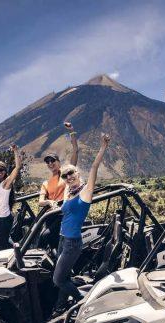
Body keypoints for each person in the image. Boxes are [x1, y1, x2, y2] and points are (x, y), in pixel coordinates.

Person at [49, 132, 110, 313]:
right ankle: (60, 307)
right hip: (62, 239)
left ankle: (84, 303)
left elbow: (94, 168)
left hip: (72, 243)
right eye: (65, 175)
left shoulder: (85, 192)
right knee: (65, 276)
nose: (69, 177)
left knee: (58, 279)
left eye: (71, 173)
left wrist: (103, 147)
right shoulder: (69, 192)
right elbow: (64, 209)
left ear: (78, 173)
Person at [0, 146, 25, 249]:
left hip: (5, 219)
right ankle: (16, 250)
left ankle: (18, 252)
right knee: (3, 240)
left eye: (2, 170)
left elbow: (18, 167)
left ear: (5, 171)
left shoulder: (6, 183)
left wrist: (15, 151)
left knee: (3, 243)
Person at [39, 122, 79, 209]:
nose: (50, 163)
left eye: (52, 160)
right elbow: (41, 202)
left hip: (65, 211)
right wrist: (49, 201)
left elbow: (75, 150)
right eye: (48, 162)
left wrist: (71, 131)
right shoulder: (46, 183)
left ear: (59, 162)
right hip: (51, 214)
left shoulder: (66, 174)